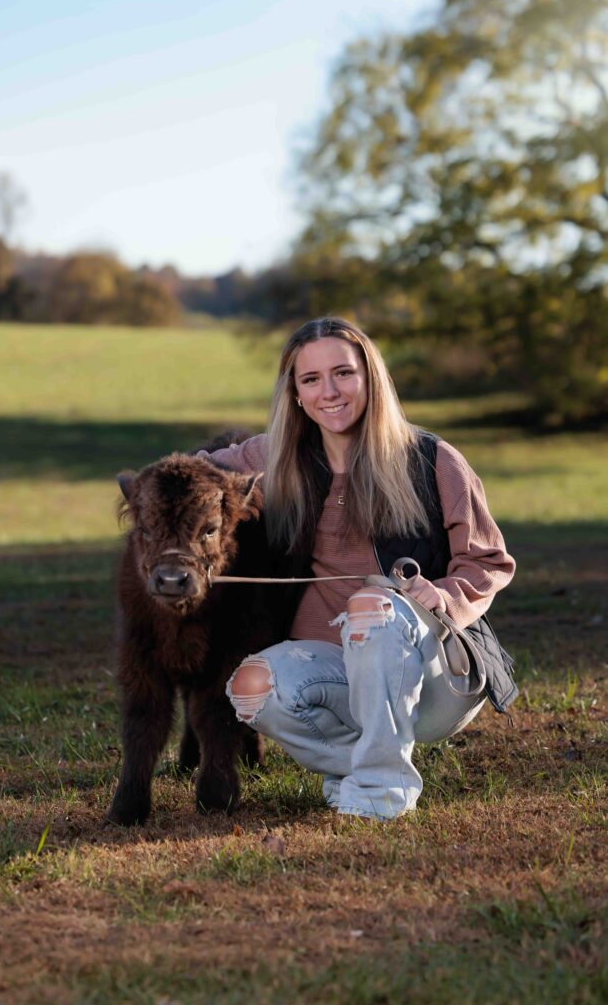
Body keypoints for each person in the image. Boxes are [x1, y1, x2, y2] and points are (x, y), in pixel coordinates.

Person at [202, 316, 515, 820]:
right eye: (311, 379)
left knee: (370, 606)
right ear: (296, 395)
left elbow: (488, 559)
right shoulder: (276, 457)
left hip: (432, 677)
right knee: (251, 689)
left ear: (371, 378)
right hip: (335, 676)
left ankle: (380, 796)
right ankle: (372, 763)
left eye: (344, 373)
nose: (330, 391)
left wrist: (448, 597)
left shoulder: (431, 459)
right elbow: (193, 472)